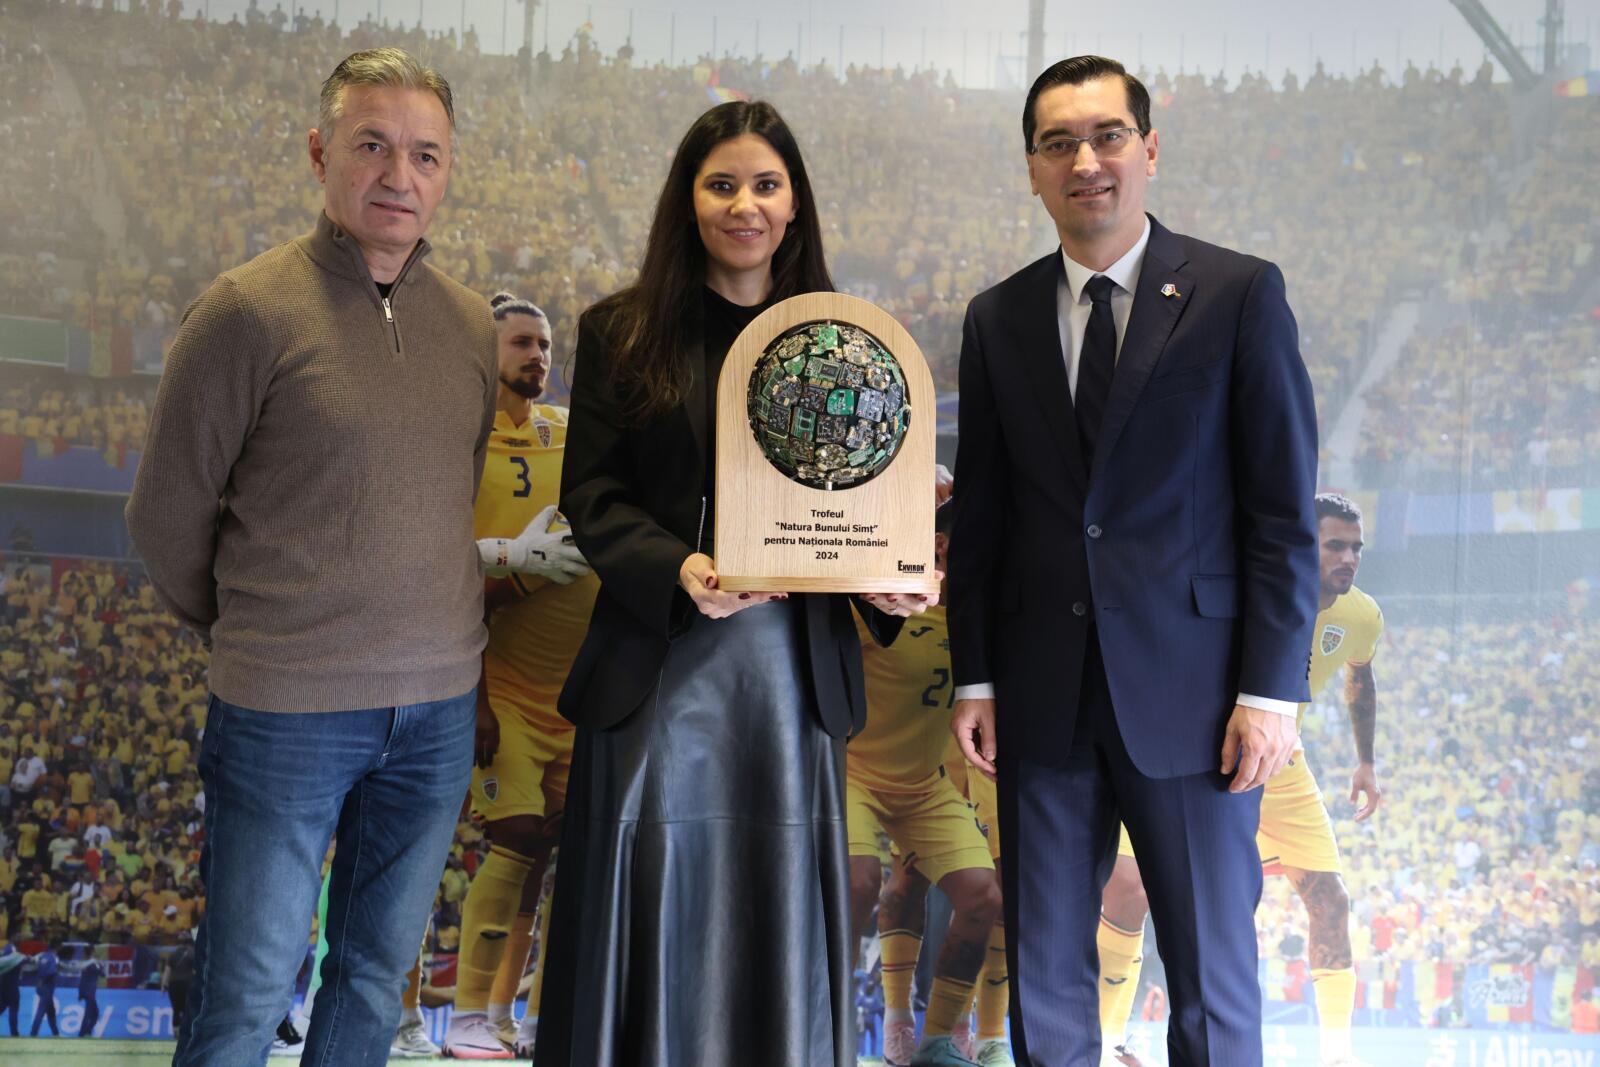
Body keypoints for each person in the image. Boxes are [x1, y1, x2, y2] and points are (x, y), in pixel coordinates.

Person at [532, 99, 932, 1067]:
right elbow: (591, 494)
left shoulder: (848, 344)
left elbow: (860, 511)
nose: (743, 205)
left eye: (764, 184)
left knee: (772, 908)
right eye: (720, 185)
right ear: (688, 199)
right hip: (657, 664)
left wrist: (884, 583)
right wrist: (676, 569)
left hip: (792, 680)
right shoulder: (620, 331)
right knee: (654, 893)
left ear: (794, 205)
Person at [124, 47, 498, 1066]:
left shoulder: (471, 325)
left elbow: (448, 494)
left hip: (434, 714)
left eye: (425, 154)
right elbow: (165, 516)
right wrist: (263, 629)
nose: (399, 174)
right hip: (284, 710)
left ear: (448, 170)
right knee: (245, 996)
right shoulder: (243, 310)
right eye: (372, 145)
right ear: (319, 152)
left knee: (372, 982)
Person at [948, 55, 1319, 1067]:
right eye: (1058, 144)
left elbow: (1282, 515)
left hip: (1199, 701)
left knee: (1211, 980)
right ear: (1033, 169)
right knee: (1046, 979)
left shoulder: (1238, 294)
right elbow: (980, 519)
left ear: (1148, 150)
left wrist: (1270, 693)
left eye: (1107, 136)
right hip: (1040, 696)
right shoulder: (996, 318)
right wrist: (975, 675)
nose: (1086, 162)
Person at [1096, 493, 1383, 1067]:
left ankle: (1338, 1056)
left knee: (1330, 898)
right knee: (1128, 887)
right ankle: (1105, 1041)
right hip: (1198, 751)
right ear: (1303, 544)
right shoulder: (1249, 590)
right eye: (1335, 546)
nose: (1349, 558)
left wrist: (1366, 761)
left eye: (1356, 548)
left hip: (1281, 761)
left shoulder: (1361, 615)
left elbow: (1361, 676)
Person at [440, 292, 595, 1061]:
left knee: (563, 852)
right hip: (503, 684)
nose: (539, 355)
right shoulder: (455, 445)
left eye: (545, 345)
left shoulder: (571, 433)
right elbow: (438, 577)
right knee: (516, 837)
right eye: (522, 343)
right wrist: (513, 563)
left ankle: (528, 1016)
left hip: (583, 690)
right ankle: (469, 1015)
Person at [847, 502, 1008, 1067]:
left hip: (925, 784)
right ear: (937, 545)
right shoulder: (881, 601)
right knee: (860, 882)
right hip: (855, 774)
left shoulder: (976, 618)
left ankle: (938, 1042)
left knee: (984, 896)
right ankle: (828, 1025)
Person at [163, 931, 196, 1039]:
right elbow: (195, 971)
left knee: (176, 1009)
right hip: (187, 984)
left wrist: (164, 985)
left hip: (173, 984)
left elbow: (167, 971)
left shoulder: (172, 955)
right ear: (190, 942)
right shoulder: (193, 954)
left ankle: (175, 1031)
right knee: (188, 1008)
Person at [30, 943, 60, 1036]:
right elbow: (51, 972)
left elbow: (36, 967)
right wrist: (55, 972)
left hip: (40, 986)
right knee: (41, 1010)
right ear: (57, 948)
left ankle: (56, 1034)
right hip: (48, 987)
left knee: (51, 1012)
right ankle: (33, 1033)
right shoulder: (54, 958)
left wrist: (40, 980)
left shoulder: (42, 956)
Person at [76, 952, 102, 1038]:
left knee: (93, 1013)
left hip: (88, 992)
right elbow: (102, 974)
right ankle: (83, 1033)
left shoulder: (87, 966)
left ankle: (86, 1032)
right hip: (90, 993)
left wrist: (80, 993)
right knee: (91, 1014)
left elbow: (82, 980)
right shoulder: (92, 966)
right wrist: (99, 965)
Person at [0, 939, 22, 1037]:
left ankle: (14, 1032)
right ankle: (14, 1033)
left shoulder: (3, 953)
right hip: (12, 987)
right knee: (13, 1011)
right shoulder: (14, 954)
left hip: (2, 987)